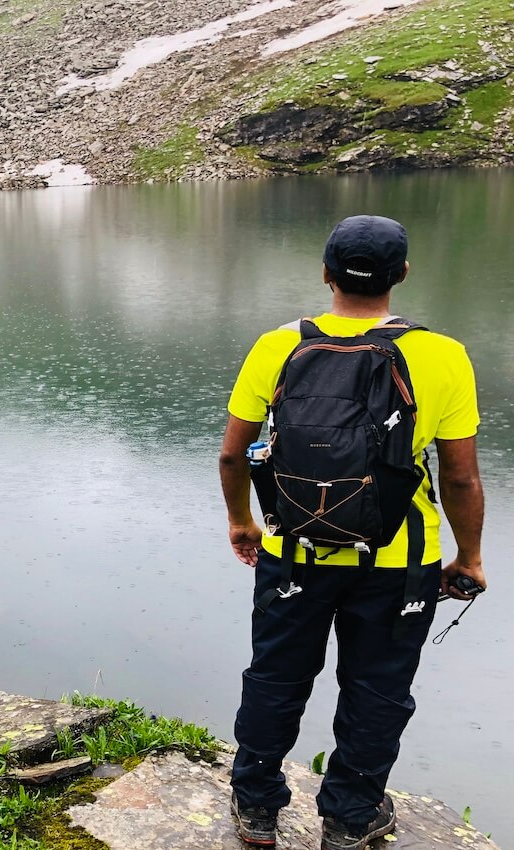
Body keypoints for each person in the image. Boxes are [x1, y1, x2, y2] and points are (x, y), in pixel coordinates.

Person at [218, 215, 487, 850]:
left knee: (276, 676)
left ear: (326, 274)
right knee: (377, 687)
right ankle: (348, 817)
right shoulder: (443, 355)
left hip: (294, 550)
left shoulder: (277, 345)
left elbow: (234, 456)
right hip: (399, 562)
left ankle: (256, 809)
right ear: (403, 275)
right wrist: (468, 557)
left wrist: (241, 522)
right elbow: (461, 477)